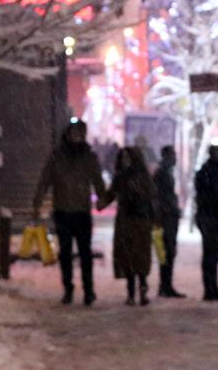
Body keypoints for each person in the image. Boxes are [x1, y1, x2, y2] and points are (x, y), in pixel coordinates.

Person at [33, 119, 108, 305]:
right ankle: (68, 288)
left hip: (82, 212)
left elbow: (97, 180)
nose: (77, 136)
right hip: (63, 211)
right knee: (65, 253)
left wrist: (102, 198)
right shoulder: (57, 156)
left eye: (80, 133)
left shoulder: (88, 157)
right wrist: (37, 202)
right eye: (74, 132)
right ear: (67, 134)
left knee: (85, 254)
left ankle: (88, 290)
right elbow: (45, 180)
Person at [106, 147, 156, 305]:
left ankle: (142, 289)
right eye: (123, 158)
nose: (125, 161)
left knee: (140, 257)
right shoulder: (121, 178)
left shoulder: (142, 177)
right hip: (126, 221)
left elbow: (151, 197)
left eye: (128, 158)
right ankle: (131, 292)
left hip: (140, 221)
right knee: (128, 257)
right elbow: (111, 194)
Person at [194, 143, 218, 301]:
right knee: (210, 254)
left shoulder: (210, 172)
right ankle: (210, 289)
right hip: (210, 217)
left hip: (211, 217)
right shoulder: (210, 173)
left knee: (212, 255)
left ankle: (212, 288)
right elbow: (213, 196)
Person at [153, 146, 187, 298]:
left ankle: (166, 285)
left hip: (168, 216)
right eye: (173, 155)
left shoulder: (165, 173)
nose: (175, 158)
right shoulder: (162, 174)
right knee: (167, 252)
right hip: (165, 218)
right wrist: (168, 210)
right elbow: (160, 196)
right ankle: (165, 285)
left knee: (168, 252)